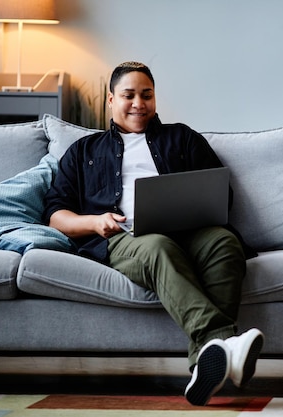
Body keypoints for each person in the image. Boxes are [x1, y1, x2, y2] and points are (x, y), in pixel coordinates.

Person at [43, 61, 264, 406]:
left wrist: (196, 209)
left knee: (224, 243)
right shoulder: (84, 151)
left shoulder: (183, 138)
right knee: (158, 246)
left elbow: (222, 195)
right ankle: (224, 342)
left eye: (146, 95)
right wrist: (94, 222)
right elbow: (55, 214)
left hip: (191, 230)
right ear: (110, 99)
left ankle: (205, 368)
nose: (138, 103)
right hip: (123, 236)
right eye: (128, 95)